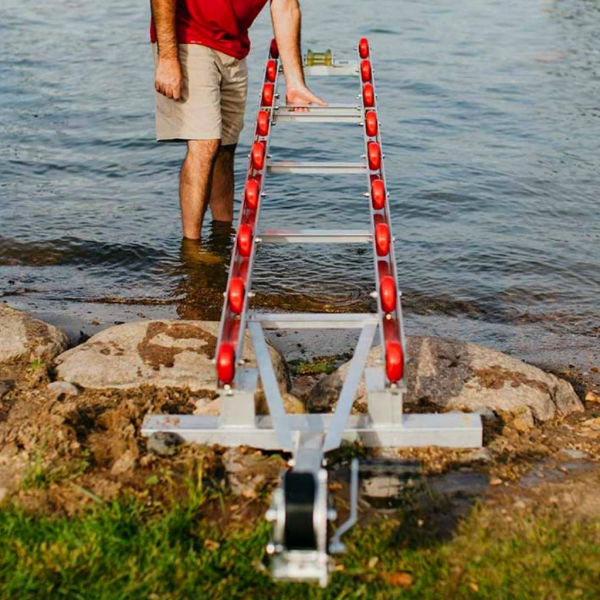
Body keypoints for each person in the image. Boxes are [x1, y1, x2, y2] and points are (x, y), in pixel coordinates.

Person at [151, 0, 325, 240]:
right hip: (188, 36)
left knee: (225, 148)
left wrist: (294, 82)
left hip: (232, 45)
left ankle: (222, 236)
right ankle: (191, 253)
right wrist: (168, 58)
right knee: (205, 144)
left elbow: (285, 6)